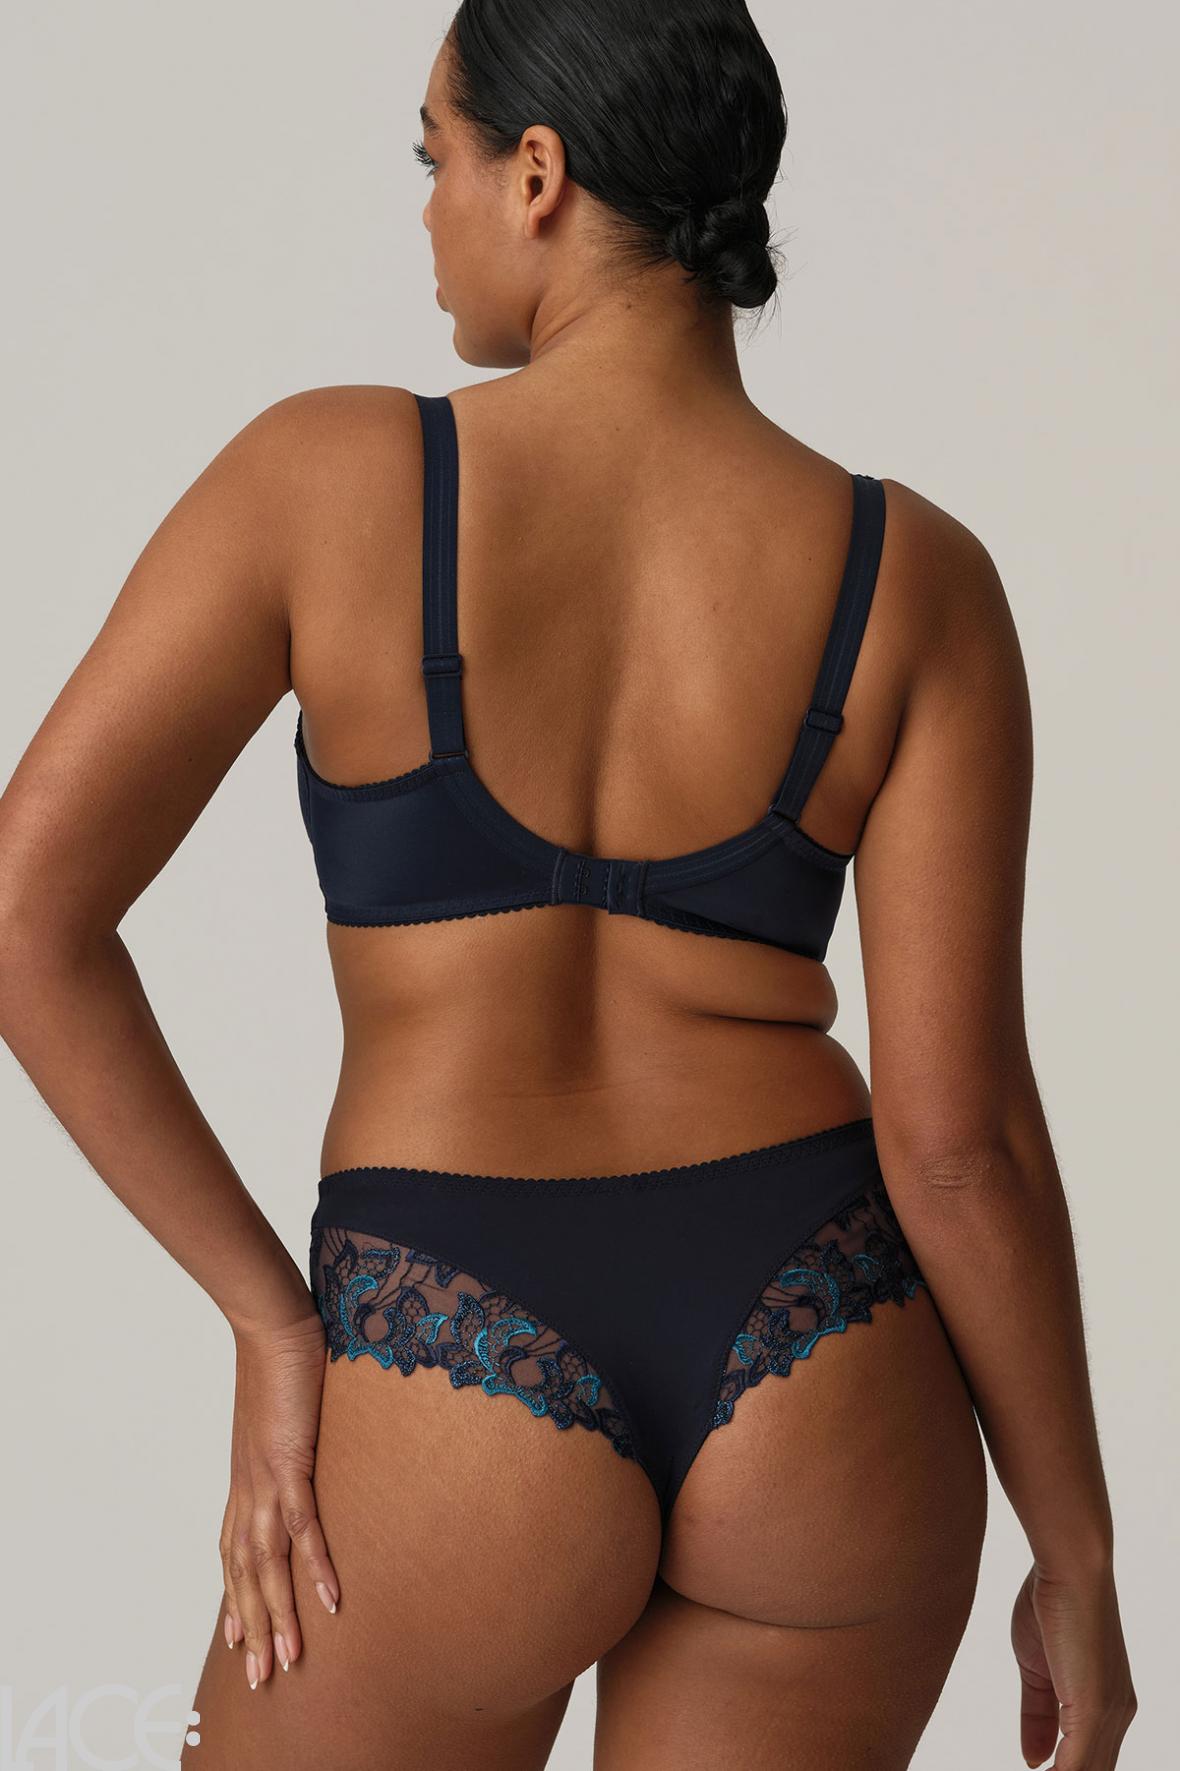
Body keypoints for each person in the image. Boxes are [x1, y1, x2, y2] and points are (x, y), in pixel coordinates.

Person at [0, 3, 1136, 1768]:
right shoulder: (917, 577)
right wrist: (1077, 1548)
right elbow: (960, 1142)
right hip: (826, 1359)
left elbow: (25, 915)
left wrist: (269, 1320)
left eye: (434, 154)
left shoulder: (326, 479)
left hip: (450, 1346)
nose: (427, 206)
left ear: (537, 174)